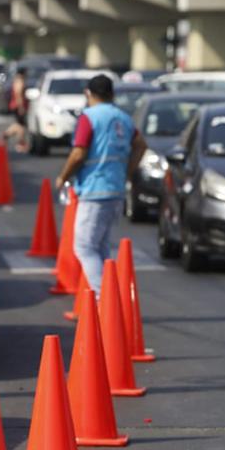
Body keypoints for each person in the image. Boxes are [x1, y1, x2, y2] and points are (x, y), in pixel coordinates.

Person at [55, 74, 147, 294]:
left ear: (88, 93)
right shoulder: (123, 118)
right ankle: (110, 298)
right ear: (112, 94)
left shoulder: (89, 117)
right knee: (102, 247)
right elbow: (141, 145)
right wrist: (127, 172)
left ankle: (103, 298)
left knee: (84, 247)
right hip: (115, 189)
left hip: (94, 189)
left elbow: (78, 154)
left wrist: (63, 176)